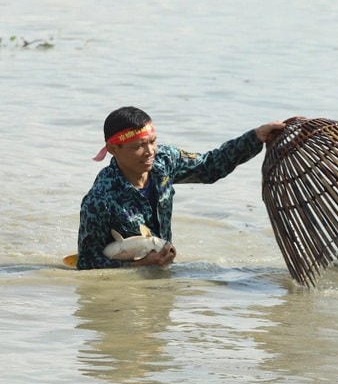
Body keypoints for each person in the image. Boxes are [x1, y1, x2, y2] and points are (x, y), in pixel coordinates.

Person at [76, 106, 285, 269]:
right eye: (138, 146)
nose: (150, 152)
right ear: (114, 149)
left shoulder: (165, 161)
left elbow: (210, 166)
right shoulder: (100, 199)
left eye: (152, 142)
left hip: (161, 272)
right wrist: (140, 265)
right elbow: (86, 263)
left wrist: (256, 136)